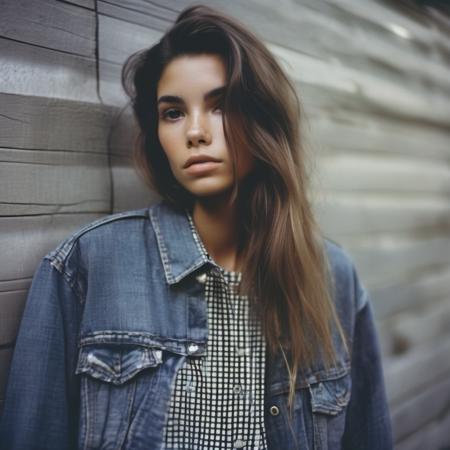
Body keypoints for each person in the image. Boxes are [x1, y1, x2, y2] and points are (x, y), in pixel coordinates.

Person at [0, 4, 393, 450]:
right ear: (157, 134)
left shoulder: (334, 278)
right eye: (173, 113)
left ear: (263, 118)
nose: (196, 132)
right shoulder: (85, 266)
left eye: (221, 105)